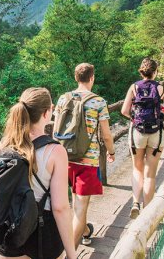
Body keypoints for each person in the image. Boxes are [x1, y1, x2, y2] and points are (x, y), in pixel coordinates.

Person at [0, 87, 77, 259]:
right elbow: (60, 208)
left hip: (10, 233)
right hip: (44, 232)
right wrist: (72, 254)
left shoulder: (5, 145)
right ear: (47, 112)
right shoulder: (55, 151)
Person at [54, 63, 115, 249]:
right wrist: (112, 152)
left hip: (64, 159)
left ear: (75, 78)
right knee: (80, 209)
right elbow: (105, 135)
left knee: (74, 203)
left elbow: (55, 130)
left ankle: (86, 233)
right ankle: (70, 253)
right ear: (92, 78)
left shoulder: (63, 99)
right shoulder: (98, 102)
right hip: (87, 161)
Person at [121, 57, 164, 219]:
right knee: (150, 174)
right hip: (156, 134)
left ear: (141, 71)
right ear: (155, 72)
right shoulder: (161, 89)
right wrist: (160, 120)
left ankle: (135, 202)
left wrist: (135, 119)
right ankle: (147, 213)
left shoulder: (134, 87)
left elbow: (124, 110)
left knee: (137, 169)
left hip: (137, 133)